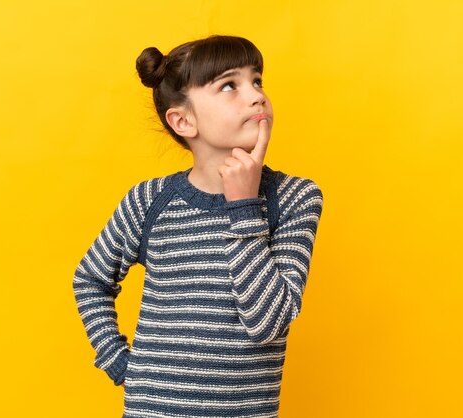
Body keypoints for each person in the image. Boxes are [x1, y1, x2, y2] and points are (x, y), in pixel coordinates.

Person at [72, 34, 324, 418]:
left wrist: (243, 206)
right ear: (183, 120)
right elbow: (90, 280)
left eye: (257, 81)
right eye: (229, 85)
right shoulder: (149, 201)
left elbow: (267, 324)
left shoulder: (293, 198)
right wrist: (118, 361)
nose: (256, 95)